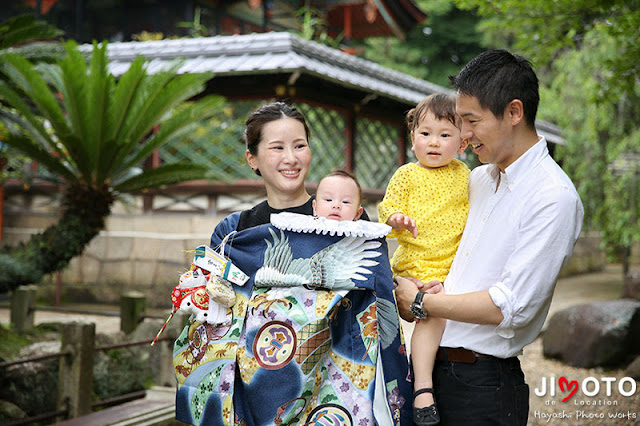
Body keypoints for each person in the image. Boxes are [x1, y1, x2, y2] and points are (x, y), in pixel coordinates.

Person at [173, 101, 414, 426]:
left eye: (299, 145)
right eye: (277, 147)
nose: (291, 158)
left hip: (331, 391)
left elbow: (375, 308)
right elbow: (216, 318)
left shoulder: (348, 223)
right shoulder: (234, 232)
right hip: (252, 389)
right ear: (252, 158)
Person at [394, 49, 584, 425]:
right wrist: (413, 288)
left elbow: (508, 306)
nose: (463, 135)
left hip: (483, 386)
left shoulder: (553, 198)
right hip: (429, 371)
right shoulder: (477, 179)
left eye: (471, 121)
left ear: (514, 113)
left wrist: (421, 303)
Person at [378, 93, 469, 426]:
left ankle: (424, 380)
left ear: (462, 142)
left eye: (445, 135)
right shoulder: (406, 175)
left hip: (451, 267)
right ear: (412, 139)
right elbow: (387, 208)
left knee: (439, 309)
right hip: (416, 265)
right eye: (426, 133)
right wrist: (397, 218)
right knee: (431, 311)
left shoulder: (465, 175)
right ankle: (423, 386)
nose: (435, 142)